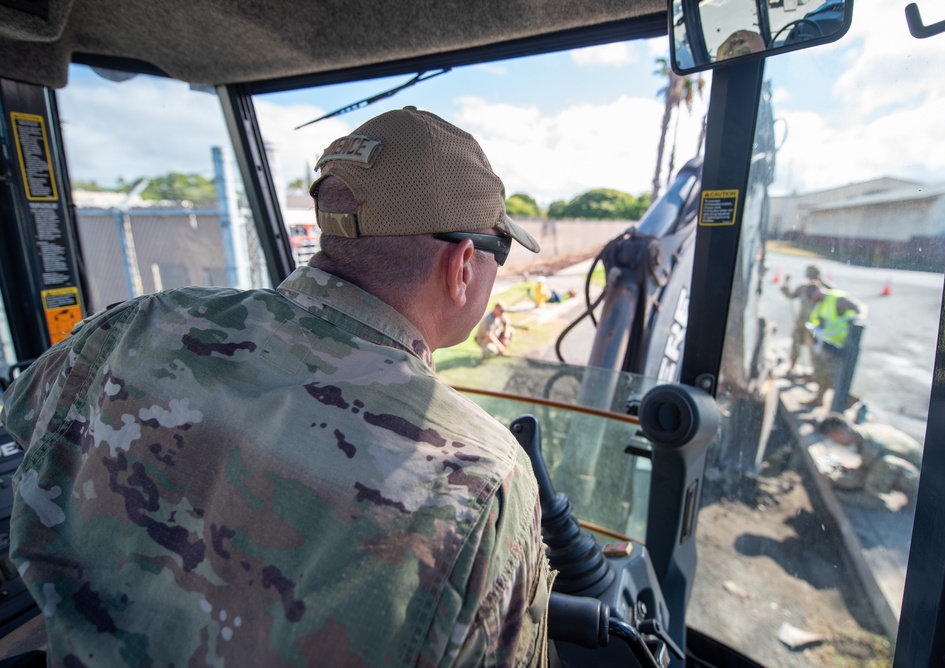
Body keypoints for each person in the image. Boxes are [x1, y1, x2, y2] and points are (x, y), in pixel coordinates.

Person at [0, 108, 552, 666]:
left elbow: (23, 427)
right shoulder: (480, 478)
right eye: (498, 251)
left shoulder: (136, 326)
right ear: (461, 265)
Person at [817, 414, 922, 503]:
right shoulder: (864, 430)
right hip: (913, 469)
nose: (835, 442)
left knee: (882, 466)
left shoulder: (869, 443)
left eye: (832, 438)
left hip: (918, 479)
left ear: (838, 433)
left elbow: (870, 470)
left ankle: (870, 498)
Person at [804, 283, 864, 407]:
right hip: (827, 344)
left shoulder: (837, 300)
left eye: (811, 295)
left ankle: (847, 399)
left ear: (817, 291)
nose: (812, 299)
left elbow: (860, 309)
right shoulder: (820, 304)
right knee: (823, 372)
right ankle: (820, 398)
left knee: (837, 375)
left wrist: (855, 322)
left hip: (841, 346)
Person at [780, 264, 831, 373]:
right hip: (801, 323)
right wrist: (786, 283)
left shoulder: (824, 289)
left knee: (814, 350)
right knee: (796, 345)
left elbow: (833, 297)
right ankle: (792, 366)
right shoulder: (803, 288)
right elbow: (790, 295)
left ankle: (816, 373)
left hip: (815, 326)